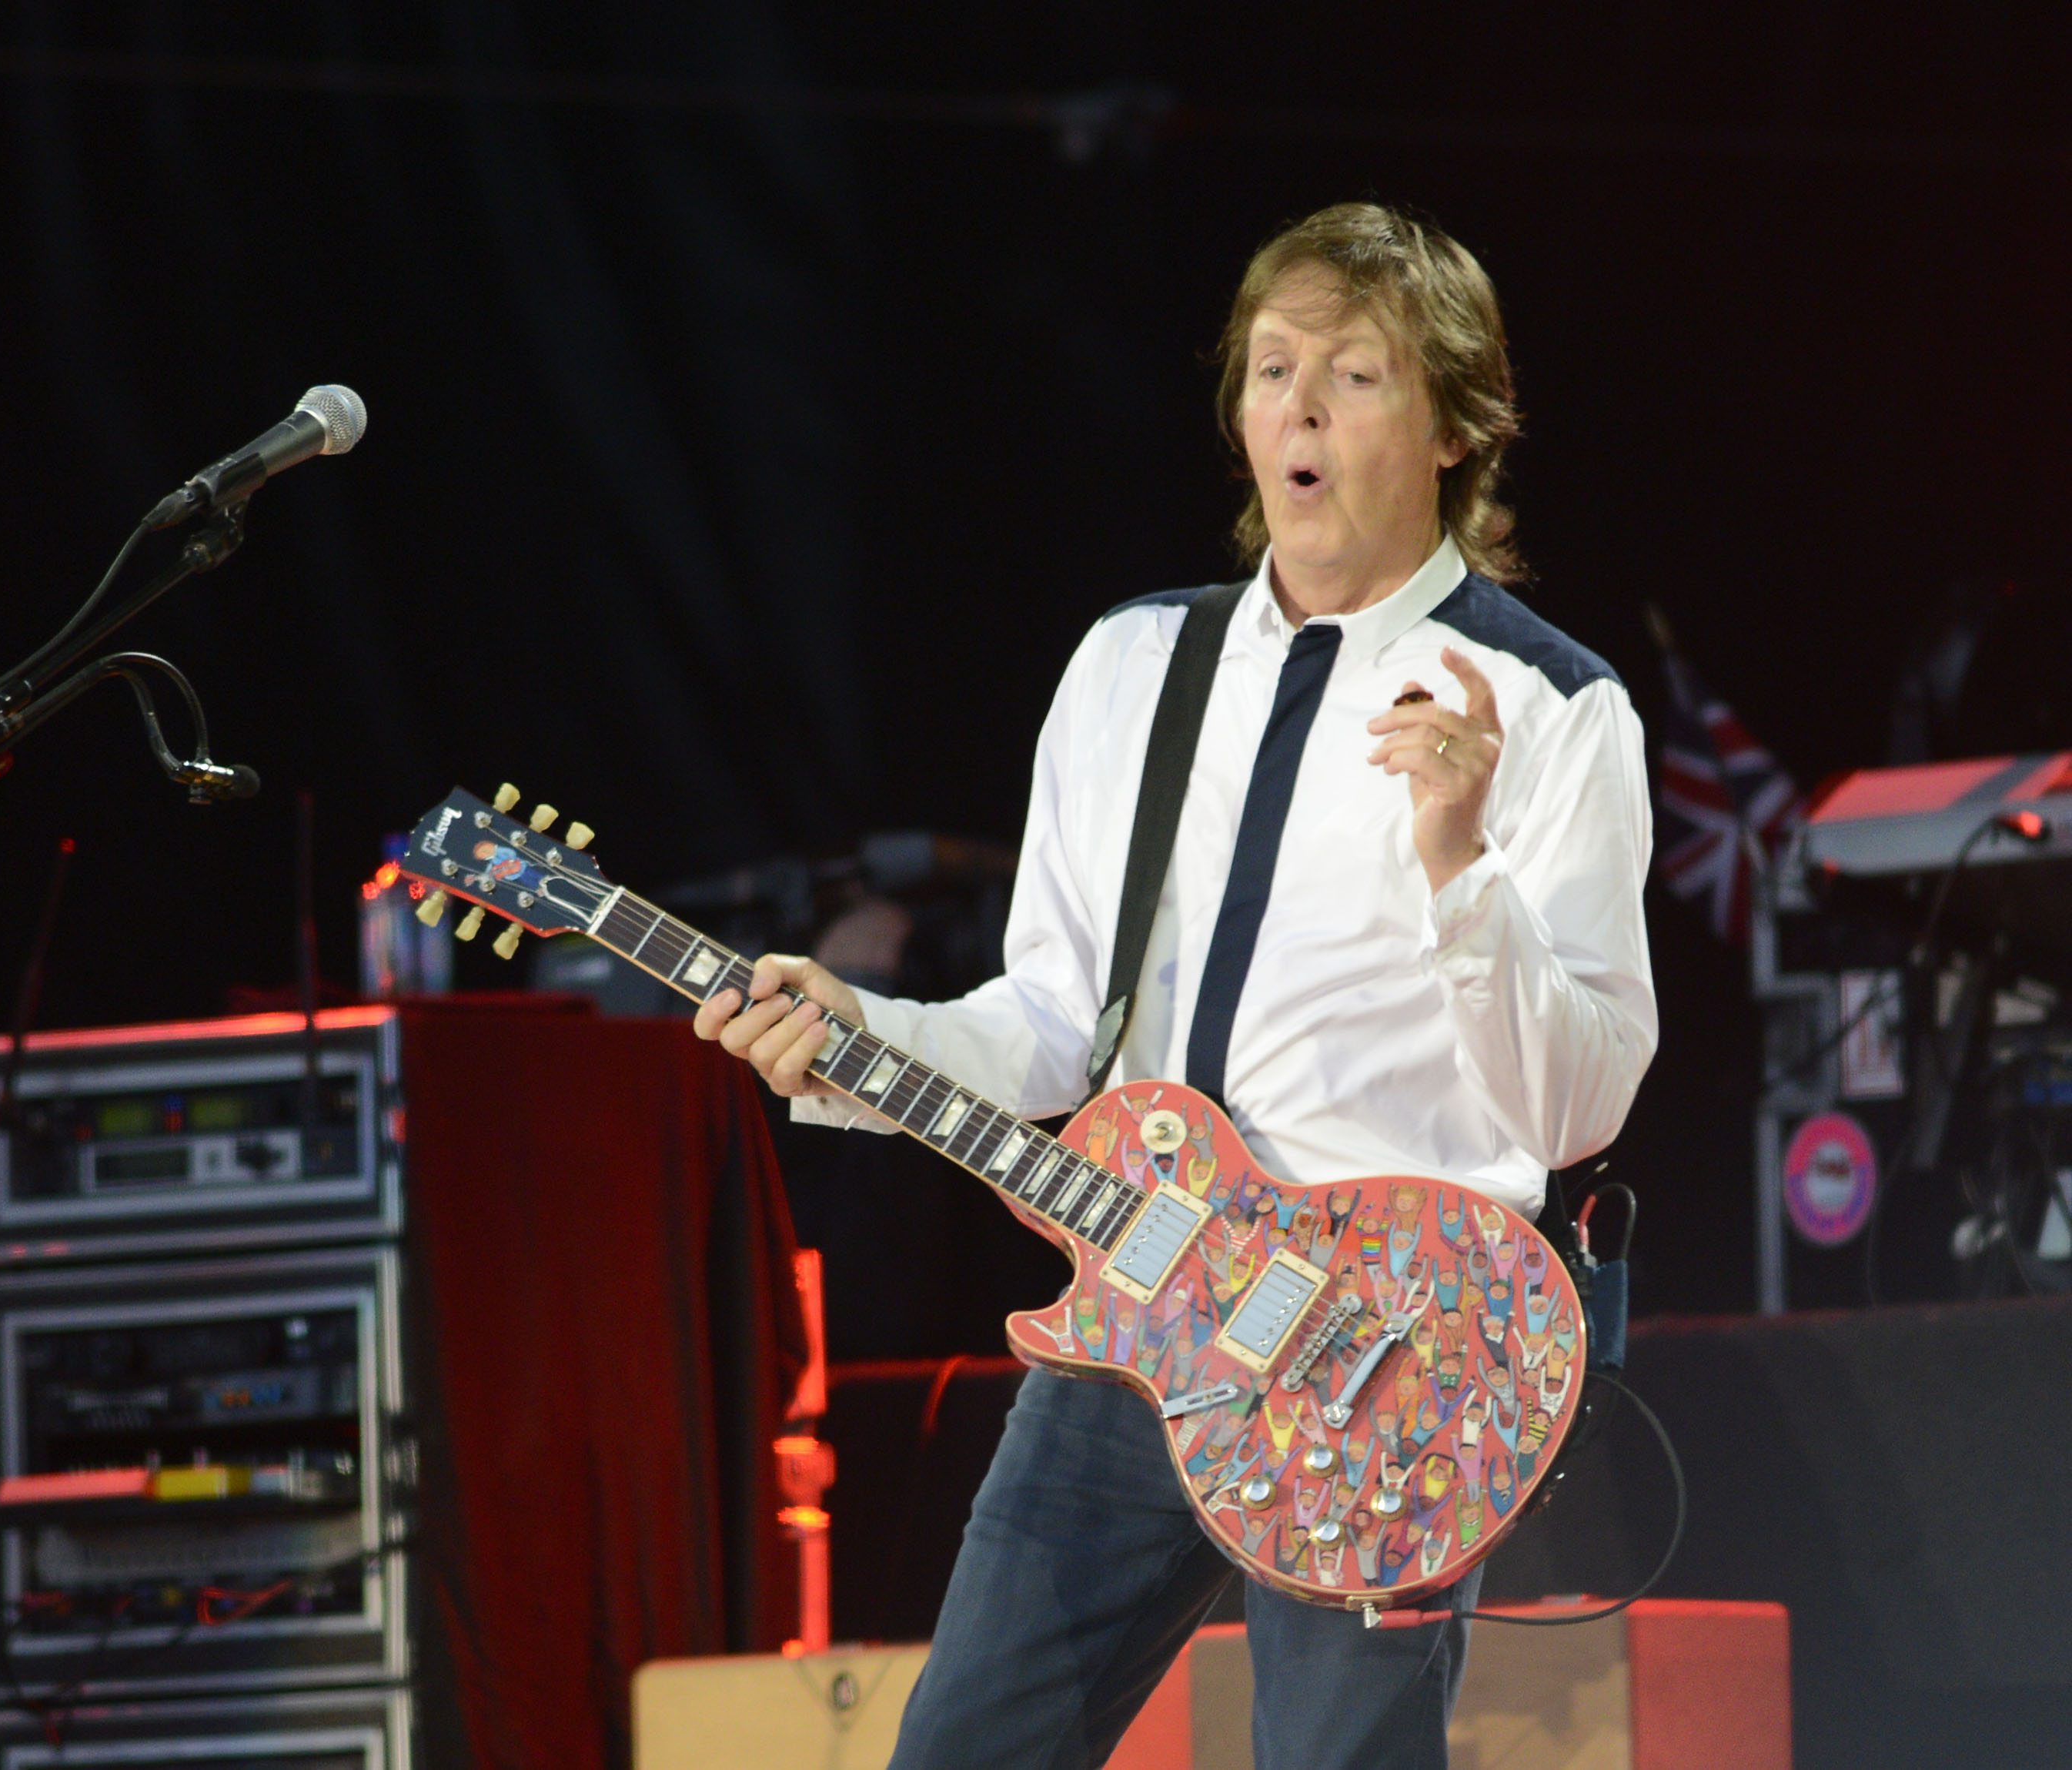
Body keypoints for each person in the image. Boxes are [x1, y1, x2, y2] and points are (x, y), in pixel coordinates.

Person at [693, 202, 1656, 1770]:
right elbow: (1046, 1024)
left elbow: (1578, 1102)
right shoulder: (1133, 668)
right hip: (1143, 1320)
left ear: (1457, 429)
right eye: (1273, 371)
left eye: (1353, 375)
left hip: (1389, 1356)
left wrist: (1461, 864)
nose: (1299, 409)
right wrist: (852, 1042)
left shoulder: (1553, 709)